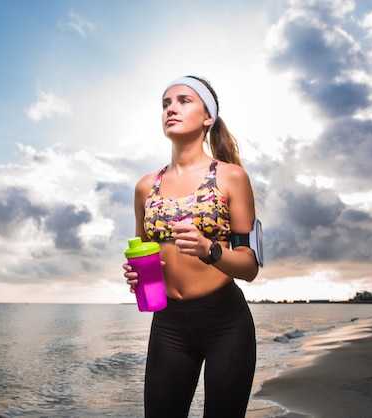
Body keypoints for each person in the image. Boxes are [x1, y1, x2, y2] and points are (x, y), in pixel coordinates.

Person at [123, 76, 259, 417]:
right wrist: (135, 274)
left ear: (207, 117)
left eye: (184, 100)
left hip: (225, 323)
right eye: (166, 103)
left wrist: (210, 250)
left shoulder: (231, 177)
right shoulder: (145, 187)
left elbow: (250, 266)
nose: (171, 108)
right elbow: (144, 251)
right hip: (167, 323)